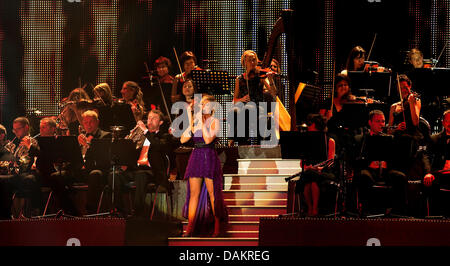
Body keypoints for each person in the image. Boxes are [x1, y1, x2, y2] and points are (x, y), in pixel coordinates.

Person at [181, 94, 228, 237]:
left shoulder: (215, 121)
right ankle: (189, 228)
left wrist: (202, 123)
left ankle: (217, 228)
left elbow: (207, 140)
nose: (201, 107)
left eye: (204, 104)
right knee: (193, 194)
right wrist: (190, 119)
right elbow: (183, 139)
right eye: (201, 104)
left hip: (208, 156)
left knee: (213, 194)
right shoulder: (196, 121)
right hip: (196, 156)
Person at [353, 110, 411, 216]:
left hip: (385, 170)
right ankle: (366, 211)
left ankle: (398, 212)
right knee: (363, 176)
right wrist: (368, 163)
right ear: (370, 123)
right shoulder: (361, 139)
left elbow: (396, 159)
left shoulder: (389, 139)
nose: (381, 124)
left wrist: (387, 164)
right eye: (378, 121)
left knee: (400, 177)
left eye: (383, 121)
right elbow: (355, 161)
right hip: (369, 170)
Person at [229, 50, 276, 145]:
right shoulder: (239, 79)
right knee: (233, 111)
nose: (252, 62)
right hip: (244, 106)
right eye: (249, 60)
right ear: (244, 63)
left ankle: (242, 141)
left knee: (247, 109)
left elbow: (273, 93)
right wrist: (241, 99)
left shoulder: (261, 76)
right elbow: (235, 100)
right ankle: (239, 141)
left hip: (259, 106)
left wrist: (270, 79)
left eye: (254, 60)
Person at [295, 114, 336, 217]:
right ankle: (310, 207)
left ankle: (314, 208)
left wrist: (321, 168)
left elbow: (331, 162)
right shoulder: (306, 142)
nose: (308, 126)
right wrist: (307, 167)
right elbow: (302, 163)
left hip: (324, 172)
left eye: (310, 124)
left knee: (313, 181)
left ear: (317, 126)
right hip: (310, 171)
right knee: (309, 179)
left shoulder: (330, 141)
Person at [78, 110, 112, 214]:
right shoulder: (80, 137)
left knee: (95, 174)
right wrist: (78, 145)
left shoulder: (106, 136)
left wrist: (88, 144)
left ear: (97, 122)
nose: (88, 125)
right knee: (58, 176)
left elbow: (103, 158)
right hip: (82, 170)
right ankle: (68, 210)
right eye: (85, 122)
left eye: (91, 122)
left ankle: (90, 212)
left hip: (98, 170)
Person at [7, 117, 40, 218]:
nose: (15, 132)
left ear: (26, 127)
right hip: (17, 173)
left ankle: (23, 213)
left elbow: (33, 159)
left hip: (27, 173)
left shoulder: (33, 142)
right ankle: (6, 214)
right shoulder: (15, 144)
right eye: (14, 130)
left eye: (18, 129)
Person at [423, 110, 450, 215]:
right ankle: (433, 219)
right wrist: (428, 172)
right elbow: (426, 156)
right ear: (443, 122)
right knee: (429, 184)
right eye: (448, 121)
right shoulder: (434, 139)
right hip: (439, 174)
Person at [388, 74, 422, 139]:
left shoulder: (416, 101)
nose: (403, 90)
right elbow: (389, 131)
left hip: (413, 138)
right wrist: (396, 128)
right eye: (400, 88)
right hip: (398, 138)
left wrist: (411, 103)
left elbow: (415, 123)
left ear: (410, 86)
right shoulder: (394, 106)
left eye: (405, 87)